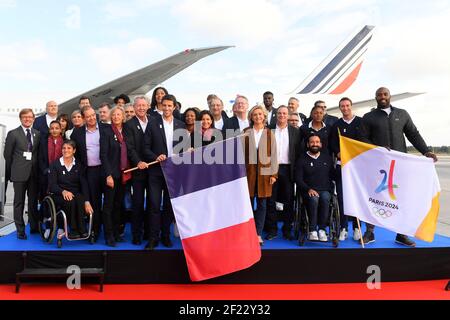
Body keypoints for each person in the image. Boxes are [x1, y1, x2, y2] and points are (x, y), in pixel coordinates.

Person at [360, 87, 438, 247]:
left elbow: (413, 134)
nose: (382, 97)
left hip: (400, 165)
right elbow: (362, 138)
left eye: (385, 94)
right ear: (375, 97)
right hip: (378, 165)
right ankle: (369, 232)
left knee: (402, 198)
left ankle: (401, 234)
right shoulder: (368, 117)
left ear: (390, 96)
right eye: (379, 95)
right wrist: (377, 149)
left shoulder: (402, 114)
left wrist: (426, 151)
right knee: (374, 197)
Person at [143, 94, 189, 250]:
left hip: (174, 172)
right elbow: (145, 148)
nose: (167, 108)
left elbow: (184, 149)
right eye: (165, 105)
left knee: (169, 206)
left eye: (170, 106)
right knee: (154, 205)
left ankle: (165, 236)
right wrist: (156, 156)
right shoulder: (152, 124)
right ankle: (153, 238)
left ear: (174, 107)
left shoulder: (181, 125)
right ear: (160, 106)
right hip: (156, 171)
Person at [70, 106, 109, 242]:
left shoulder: (106, 129)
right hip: (89, 172)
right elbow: (77, 155)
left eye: (93, 115)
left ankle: (110, 233)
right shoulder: (77, 133)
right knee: (94, 203)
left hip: (105, 171)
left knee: (109, 204)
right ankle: (94, 232)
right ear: (84, 118)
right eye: (88, 116)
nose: (92, 118)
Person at [329, 97, 364, 241]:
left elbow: (365, 141)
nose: (345, 108)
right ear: (340, 108)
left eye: (347, 105)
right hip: (341, 166)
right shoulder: (336, 124)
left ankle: (357, 227)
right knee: (343, 198)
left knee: (356, 197)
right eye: (342, 106)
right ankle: (343, 227)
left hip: (358, 167)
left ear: (351, 106)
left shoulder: (361, 122)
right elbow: (332, 143)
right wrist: (338, 152)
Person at [243, 105, 278, 245]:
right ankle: (248, 233)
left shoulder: (270, 133)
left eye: (260, 114)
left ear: (264, 116)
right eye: (255, 114)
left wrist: (274, 174)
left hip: (265, 174)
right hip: (248, 173)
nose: (257, 116)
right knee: (248, 204)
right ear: (251, 117)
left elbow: (274, 155)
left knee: (262, 205)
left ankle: (257, 233)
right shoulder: (245, 132)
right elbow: (240, 153)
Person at [4, 109, 41, 239]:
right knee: (18, 202)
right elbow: (7, 155)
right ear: (20, 118)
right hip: (19, 173)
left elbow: (36, 153)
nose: (27, 119)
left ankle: (34, 227)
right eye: (25, 117)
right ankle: (20, 230)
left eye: (30, 117)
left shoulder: (37, 134)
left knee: (32, 202)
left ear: (33, 119)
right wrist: (11, 172)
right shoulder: (13, 134)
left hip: (33, 173)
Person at [265, 106, 300, 241]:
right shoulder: (269, 130)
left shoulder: (295, 132)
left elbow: (297, 152)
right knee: (271, 200)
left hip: (288, 169)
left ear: (288, 115)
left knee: (289, 200)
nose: (281, 115)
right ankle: (272, 229)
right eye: (279, 113)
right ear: (276, 115)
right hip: (272, 168)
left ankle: (287, 229)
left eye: (284, 113)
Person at [48, 140, 93, 238]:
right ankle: (73, 230)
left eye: (69, 148)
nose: (66, 150)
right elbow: (52, 185)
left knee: (80, 200)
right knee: (70, 201)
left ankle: (82, 229)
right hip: (59, 193)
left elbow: (84, 184)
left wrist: (87, 201)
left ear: (74, 150)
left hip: (75, 193)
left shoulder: (79, 165)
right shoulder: (55, 165)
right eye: (64, 148)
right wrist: (63, 191)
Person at [100, 107, 131, 247]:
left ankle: (117, 233)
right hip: (111, 175)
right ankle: (108, 235)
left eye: (119, 114)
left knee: (119, 205)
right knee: (108, 206)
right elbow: (103, 155)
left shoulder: (127, 131)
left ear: (123, 116)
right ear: (111, 117)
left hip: (124, 174)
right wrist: (108, 175)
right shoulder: (106, 131)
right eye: (114, 115)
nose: (116, 116)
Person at [295, 134, 334, 242]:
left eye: (317, 142)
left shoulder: (327, 158)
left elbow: (333, 175)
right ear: (308, 144)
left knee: (326, 198)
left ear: (321, 144)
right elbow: (298, 179)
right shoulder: (302, 159)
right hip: (308, 190)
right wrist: (308, 189)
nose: (315, 144)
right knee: (314, 199)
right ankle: (312, 230)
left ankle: (322, 229)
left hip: (324, 189)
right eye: (312, 142)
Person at [123, 96, 151, 245]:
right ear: (134, 107)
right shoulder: (129, 125)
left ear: (148, 106)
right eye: (138, 105)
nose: (141, 108)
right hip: (138, 169)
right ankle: (136, 234)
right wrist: (138, 161)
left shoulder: (153, 121)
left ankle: (149, 232)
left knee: (152, 203)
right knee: (138, 203)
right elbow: (130, 147)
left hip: (153, 170)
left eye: (143, 105)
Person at [38, 120, 64, 198]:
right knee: (45, 197)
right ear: (49, 130)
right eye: (52, 128)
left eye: (57, 128)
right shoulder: (43, 142)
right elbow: (40, 157)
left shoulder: (65, 142)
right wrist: (45, 170)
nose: (54, 130)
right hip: (46, 173)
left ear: (60, 130)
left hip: (61, 174)